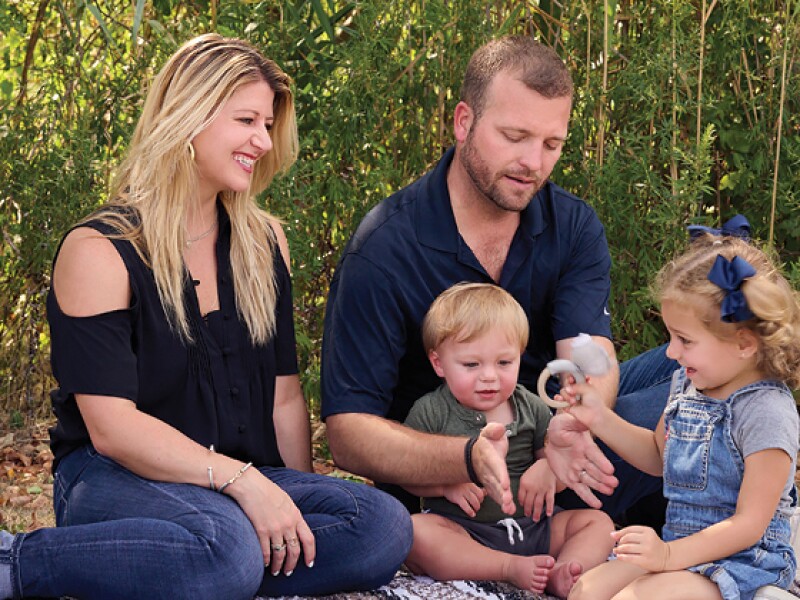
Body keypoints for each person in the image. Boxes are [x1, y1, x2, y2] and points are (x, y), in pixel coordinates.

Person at [0, 34, 411, 600]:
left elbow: (284, 395)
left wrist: (292, 502)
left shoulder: (265, 242)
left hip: (237, 487)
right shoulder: (100, 250)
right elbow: (112, 429)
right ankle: (16, 561)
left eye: (267, 124)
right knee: (227, 548)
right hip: (116, 479)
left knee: (381, 526)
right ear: (188, 116)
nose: (263, 141)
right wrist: (245, 484)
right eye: (246, 120)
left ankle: (193, 569)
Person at [321, 34, 674, 521]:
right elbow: (349, 433)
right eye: (514, 137)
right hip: (469, 484)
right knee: (693, 411)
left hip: (557, 449)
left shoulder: (572, 225)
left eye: (552, 144)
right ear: (463, 121)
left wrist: (566, 435)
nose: (534, 163)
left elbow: (591, 357)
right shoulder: (384, 247)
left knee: (716, 364)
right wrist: (467, 456)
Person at [564, 233, 800, 600]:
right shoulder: (687, 386)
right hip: (678, 546)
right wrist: (599, 418)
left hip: (744, 563)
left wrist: (668, 555)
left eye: (685, 340)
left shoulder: (767, 412)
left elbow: (749, 525)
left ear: (743, 343)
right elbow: (659, 458)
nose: (671, 352)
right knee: (586, 590)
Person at [402, 282, 615, 598]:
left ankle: (564, 572)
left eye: (504, 363)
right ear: (439, 363)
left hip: (535, 528)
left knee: (597, 523)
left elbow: (555, 455)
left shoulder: (528, 405)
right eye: (471, 364)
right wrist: (444, 485)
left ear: (519, 356)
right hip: (466, 533)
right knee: (416, 532)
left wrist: (548, 471)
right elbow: (410, 474)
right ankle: (507, 568)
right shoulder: (431, 412)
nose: (489, 376)